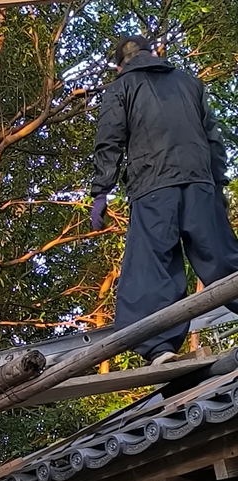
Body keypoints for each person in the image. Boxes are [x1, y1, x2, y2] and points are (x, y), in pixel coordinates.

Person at [91, 35, 238, 365]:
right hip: (200, 185)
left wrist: (101, 190)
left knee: (152, 267)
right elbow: (214, 140)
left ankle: (160, 348)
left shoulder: (121, 87)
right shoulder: (190, 83)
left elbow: (109, 140)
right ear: (153, 54)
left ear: (120, 65)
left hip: (153, 187)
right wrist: (218, 186)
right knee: (224, 260)